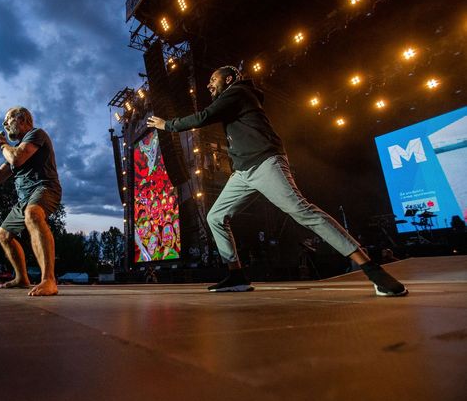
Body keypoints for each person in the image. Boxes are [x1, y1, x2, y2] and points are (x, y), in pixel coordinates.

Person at [147, 66, 408, 296]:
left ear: (229, 79)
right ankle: (236, 275)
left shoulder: (238, 92)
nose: (208, 84)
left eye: (213, 79)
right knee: (215, 217)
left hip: (265, 163)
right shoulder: (233, 99)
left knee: (301, 211)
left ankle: (372, 270)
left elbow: (204, 117)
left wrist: (167, 125)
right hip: (243, 172)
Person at [0, 106, 62, 296]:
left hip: (45, 189)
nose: (4, 124)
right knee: (3, 235)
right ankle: (22, 278)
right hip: (25, 199)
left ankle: (49, 280)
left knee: (33, 214)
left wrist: (2, 143)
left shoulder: (36, 134)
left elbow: (17, 158)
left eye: (7, 120)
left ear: (22, 120)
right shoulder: (15, 149)